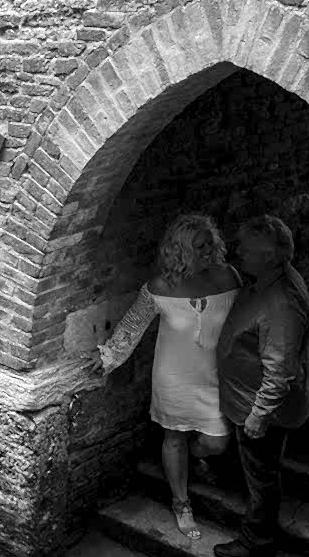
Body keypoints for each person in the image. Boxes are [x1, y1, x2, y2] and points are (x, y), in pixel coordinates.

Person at [94, 214, 241, 539]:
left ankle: (196, 457)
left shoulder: (229, 277)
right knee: (173, 437)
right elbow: (132, 326)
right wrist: (108, 357)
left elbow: (244, 320)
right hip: (174, 378)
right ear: (180, 251)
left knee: (216, 442)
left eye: (209, 244)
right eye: (198, 247)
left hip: (215, 378)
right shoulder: (160, 287)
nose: (207, 252)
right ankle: (181, 503)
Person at [212, 215, 309, 557]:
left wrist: (259, 416)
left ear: (269, 256)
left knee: (262, 476)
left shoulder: (281, 303)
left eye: (246, 249)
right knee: (256, 470)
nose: (238, 252)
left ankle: (258, 538)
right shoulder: (266, 280)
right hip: (241, 398)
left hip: (258, 408)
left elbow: (280, 370)